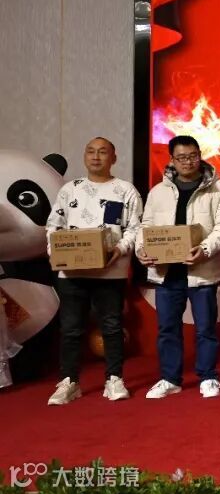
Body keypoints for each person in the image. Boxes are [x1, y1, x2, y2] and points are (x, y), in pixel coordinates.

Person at [44, 137, 143, 405]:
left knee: (111, 326)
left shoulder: (125, 190)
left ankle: (114, 379)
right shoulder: (70, 190)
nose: (96, 157)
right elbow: (53, 225)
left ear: (114, 158)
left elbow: (135, 228)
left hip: (110, 272)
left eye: (102, 152)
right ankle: (69, 381)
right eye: (91, 152)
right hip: (72, 274)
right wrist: (58, 253)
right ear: (84, 156)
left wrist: (120, 249)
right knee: (71, 328)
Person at [136, 136, 220, 399]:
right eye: (181, 157)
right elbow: (145, 226)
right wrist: (141, 249)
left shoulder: (219, 189)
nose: (188, 162)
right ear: (172, 160)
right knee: (167, 328)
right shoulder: (158, 191)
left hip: (203, 269)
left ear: (200, 155)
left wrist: (204, 250)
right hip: (167, 272)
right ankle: (170, 378)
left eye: (192, 156)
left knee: (206, 328)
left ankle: (208, 377)